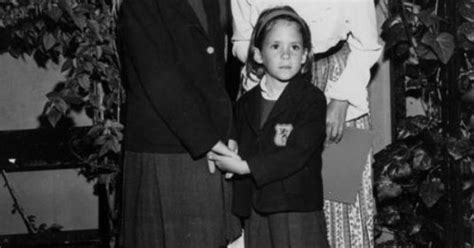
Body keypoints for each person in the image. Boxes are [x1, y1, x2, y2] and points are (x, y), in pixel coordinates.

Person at [231, 1, 383, 247]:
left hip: (339, 86)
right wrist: (261, 74)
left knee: (343, 203)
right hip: (268, 82)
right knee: (273, 203)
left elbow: (368, 44)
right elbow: (241, 40)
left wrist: (342, 97)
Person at [117, 0, 240, 247]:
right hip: (166, 147)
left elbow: (219, 72)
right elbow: (159, 80)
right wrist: (207, 140)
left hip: (209, 141)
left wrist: (229, 131)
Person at [209, 6, 329, 247]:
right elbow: (242, 139)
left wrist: (245, 166)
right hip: (256, 210)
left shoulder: (311, 100)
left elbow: (296, 154)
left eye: (294, 47)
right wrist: (232, 149)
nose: (286, 55)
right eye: (276, 46)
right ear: (258, 54)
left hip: (295, 208)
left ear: (305, 55)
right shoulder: (246, 102)